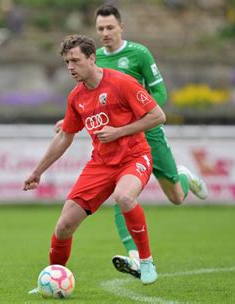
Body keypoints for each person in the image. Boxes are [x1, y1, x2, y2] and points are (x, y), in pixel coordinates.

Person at [54, 4, 208, 279]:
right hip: (114, 142)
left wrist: (132, 117)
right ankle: (137, 256)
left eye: (110, 27)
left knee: (175, 197)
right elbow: (90, 103)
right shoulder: (92, 59)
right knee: (122, 195)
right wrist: (73, 121)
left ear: (121, 27)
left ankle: (183, 177)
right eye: (100, 28)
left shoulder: (138, 53)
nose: (105, 33)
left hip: (147, 132)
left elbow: (158, 93)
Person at [25, 34, 165, 292]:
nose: (70, 67)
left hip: (134, 156)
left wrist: (119, 131)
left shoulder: (123, 83)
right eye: (67, 62)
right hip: (101, 164)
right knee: (64, 225)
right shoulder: (76, 96)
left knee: (124, 197)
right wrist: (37, 171)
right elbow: (65, 136)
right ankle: (52, 278)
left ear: (92, 58)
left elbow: (158, 116)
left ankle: (146, 261)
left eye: (75, 60)